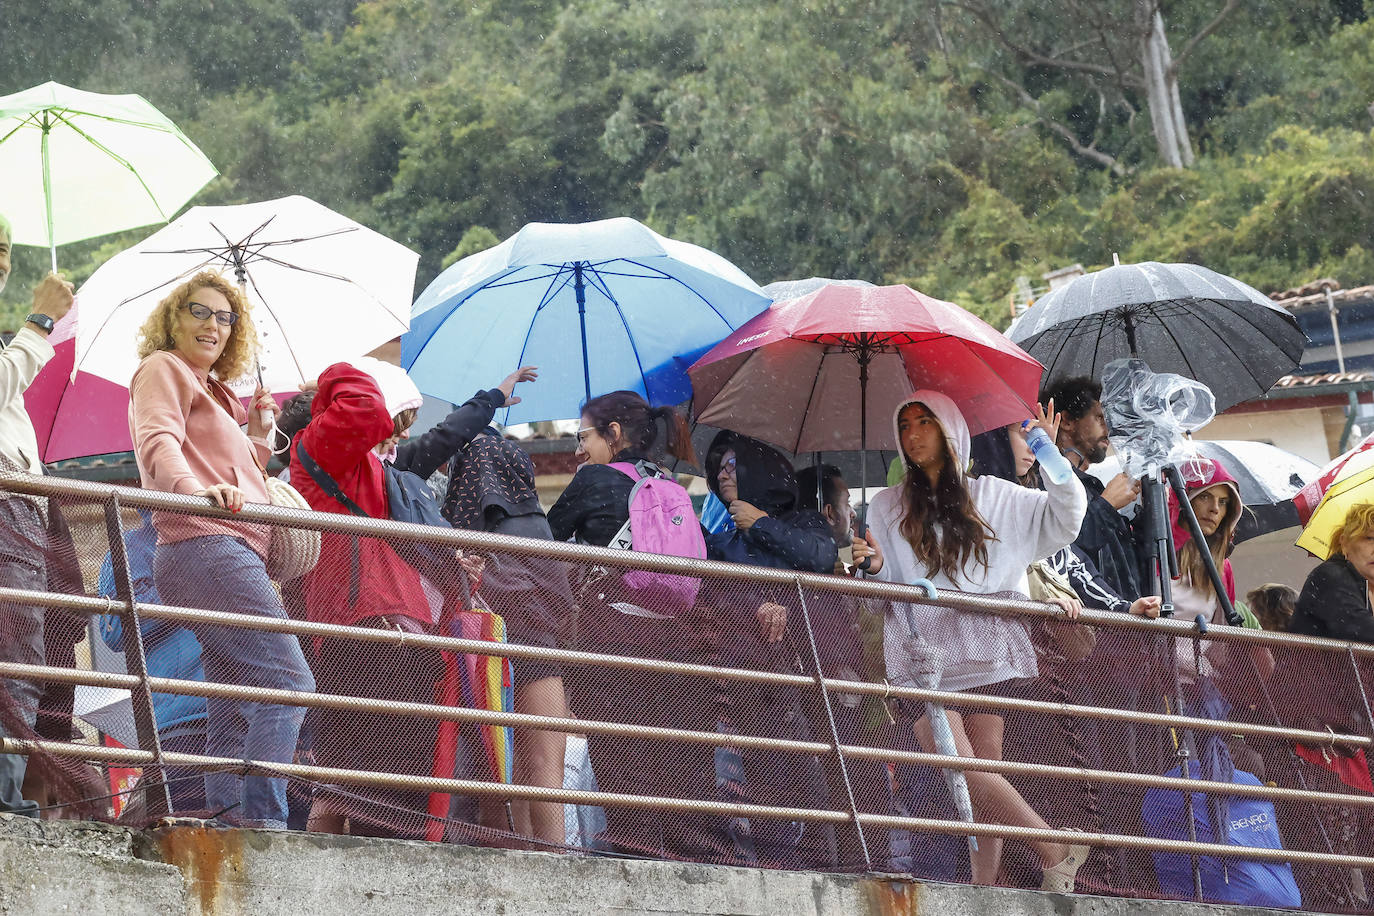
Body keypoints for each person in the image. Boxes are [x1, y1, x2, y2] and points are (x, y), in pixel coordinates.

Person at [860, 391, 1090, 891]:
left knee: (980, 773)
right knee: (957, 765)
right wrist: (874, 568)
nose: (913, 434)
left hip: (988, 641)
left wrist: (1049, 454)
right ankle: (1054, 846)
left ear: (950, 430)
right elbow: (880, 595)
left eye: (924, 422)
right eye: (904, 425)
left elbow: (1067, 519)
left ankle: (985, 888)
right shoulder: (885, 505)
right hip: (923, 649)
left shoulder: (996, 495)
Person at [289, 358, 524, 838]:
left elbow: (431, 446)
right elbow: (367, 407)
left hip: (398, 629)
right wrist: (335, 373)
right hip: (363, 628)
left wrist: (491, 400)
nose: (392, 435)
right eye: (396, 424)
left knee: (370, 778)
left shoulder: (373, 474)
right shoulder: (321, 450)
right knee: (362, 780)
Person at [129, 270, 314, 828]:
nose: (214, 325)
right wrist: (194, 493)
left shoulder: (218, 394)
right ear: (173, 320)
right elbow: (156, 441)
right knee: (288, 682)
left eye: (225, 317)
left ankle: (230, 816)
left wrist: (257, 434)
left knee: (232, 694)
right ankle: (261, 820)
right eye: (199, 311)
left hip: (215, 547)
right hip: (206, 544)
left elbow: (237, 477)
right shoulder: (163, 369)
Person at [546, 390, 721, 860]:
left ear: (614, 435)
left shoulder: (593, 480)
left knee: (624, 767)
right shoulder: (670, 486)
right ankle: (690, 865)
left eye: (583, 435)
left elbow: (544, 541)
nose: (579, 446)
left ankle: (638, 865)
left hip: (613, 639)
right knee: (681, 768)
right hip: (677, 644)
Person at [701, 432, 837, 867]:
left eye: (732, 464)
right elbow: (709, 593)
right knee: (749, 782)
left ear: (758, 471)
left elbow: (819, 556)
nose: (723, 474)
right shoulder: (721, 543)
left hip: (805, 678)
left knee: (813, 780)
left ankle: (825, 863)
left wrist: (760, 522)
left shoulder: (803, 522)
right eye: (719, 466)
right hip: (740, 681)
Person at [442, 424, 573, 847]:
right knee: (545, 764)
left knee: (496, 765)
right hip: (542, 648)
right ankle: (557, 861)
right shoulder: (537, 523)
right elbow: (562, 598)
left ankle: (507, 864)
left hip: (485, 650)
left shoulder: (463, 528)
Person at [0, 211, 75, 817]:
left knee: (21, 662)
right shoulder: (16, 342)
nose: (1, 262)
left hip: (20, 511)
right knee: (12, 663)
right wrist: (41, 322)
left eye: (3, 249)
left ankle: (8, 794)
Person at [97, 509, 209, 813]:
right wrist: (181, 585)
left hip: (246, 718)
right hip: (182, 723)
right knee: (190, 832)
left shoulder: (225, 535)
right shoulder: (131, 546)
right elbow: (114, 630)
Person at [1044, 376, 1147, 603]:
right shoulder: (1045, 480)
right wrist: (1106, 506)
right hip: (1092, 623)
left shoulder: (1093, 487)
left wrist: (1147, 511)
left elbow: (1130, 568)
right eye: (1100, 418)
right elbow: (1065, 549)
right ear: (1068, 421)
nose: (1108, 428)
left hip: (1122, 623)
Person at [1292, 502, 1374, 644]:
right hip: (1313, 666)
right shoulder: (1331, 575)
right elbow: (1358, 630)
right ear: (1345, 542)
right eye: (1370, 538)